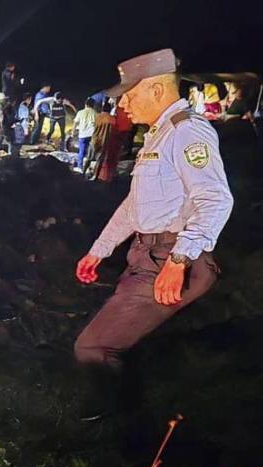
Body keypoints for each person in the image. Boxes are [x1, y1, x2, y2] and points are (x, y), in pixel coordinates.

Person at [74, 49, 233, 420]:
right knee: (110, 342)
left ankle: (118, 421)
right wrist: (99, 250)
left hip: (168, 254)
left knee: (91, 347)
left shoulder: (187, 131)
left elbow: (215, 200)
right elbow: (135, 205)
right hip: (147, 252)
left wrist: (179, 260)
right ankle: (122, 409)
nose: (124, 101)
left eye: (130, 93)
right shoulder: (159, 134)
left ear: (158, 91)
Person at [72, 97, 97, 172]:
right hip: (92, 135)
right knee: (91, 151)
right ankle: (88, 167)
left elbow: (75, 122)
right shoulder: (95, 113)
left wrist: (73, 132)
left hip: (82, 135)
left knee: (81, 151)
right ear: (93, 105)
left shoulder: (80, 112)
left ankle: (80, 167)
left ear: (85, 104)